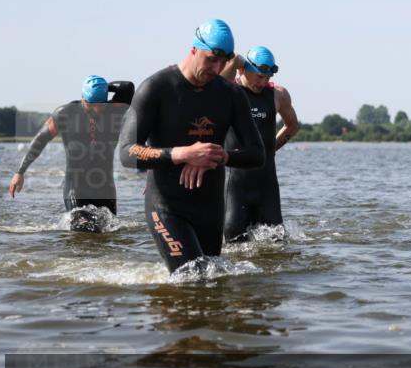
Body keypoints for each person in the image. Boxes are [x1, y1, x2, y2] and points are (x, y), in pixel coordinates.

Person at [117, 19, 264, 273]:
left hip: (210, 208)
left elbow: (257, 154)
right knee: (191, 276)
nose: (216, 68)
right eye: (211, 59)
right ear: (194, 49)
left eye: (223, 62)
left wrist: (221, 156)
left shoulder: (232, 95)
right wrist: (182, 154)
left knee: (211, 285)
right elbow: (127, 152)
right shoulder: (156, 88)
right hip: (166, 205)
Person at [8, 76, 134, 231]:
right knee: (82, 232)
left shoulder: (115, 110)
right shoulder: (65, 114)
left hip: (106, 187)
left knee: (108, 233)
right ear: (82, 98)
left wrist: (101, 88)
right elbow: (40, 140)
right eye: (91, 104)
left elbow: (128, 87)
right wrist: (20, 172)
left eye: (100, 105)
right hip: (76, 188)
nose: (96, 109)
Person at [219, 45, 300, 242]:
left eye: (267, 78)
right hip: (235, 184)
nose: (263, 82)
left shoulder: (277, 94)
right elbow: (215, 86)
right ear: (243, 70)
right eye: (259, 76)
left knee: (276, 243)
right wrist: (233, 63)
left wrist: (270, 150)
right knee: (233, 242)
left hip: (267, 184)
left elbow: (293, 125)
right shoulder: (229, 91)